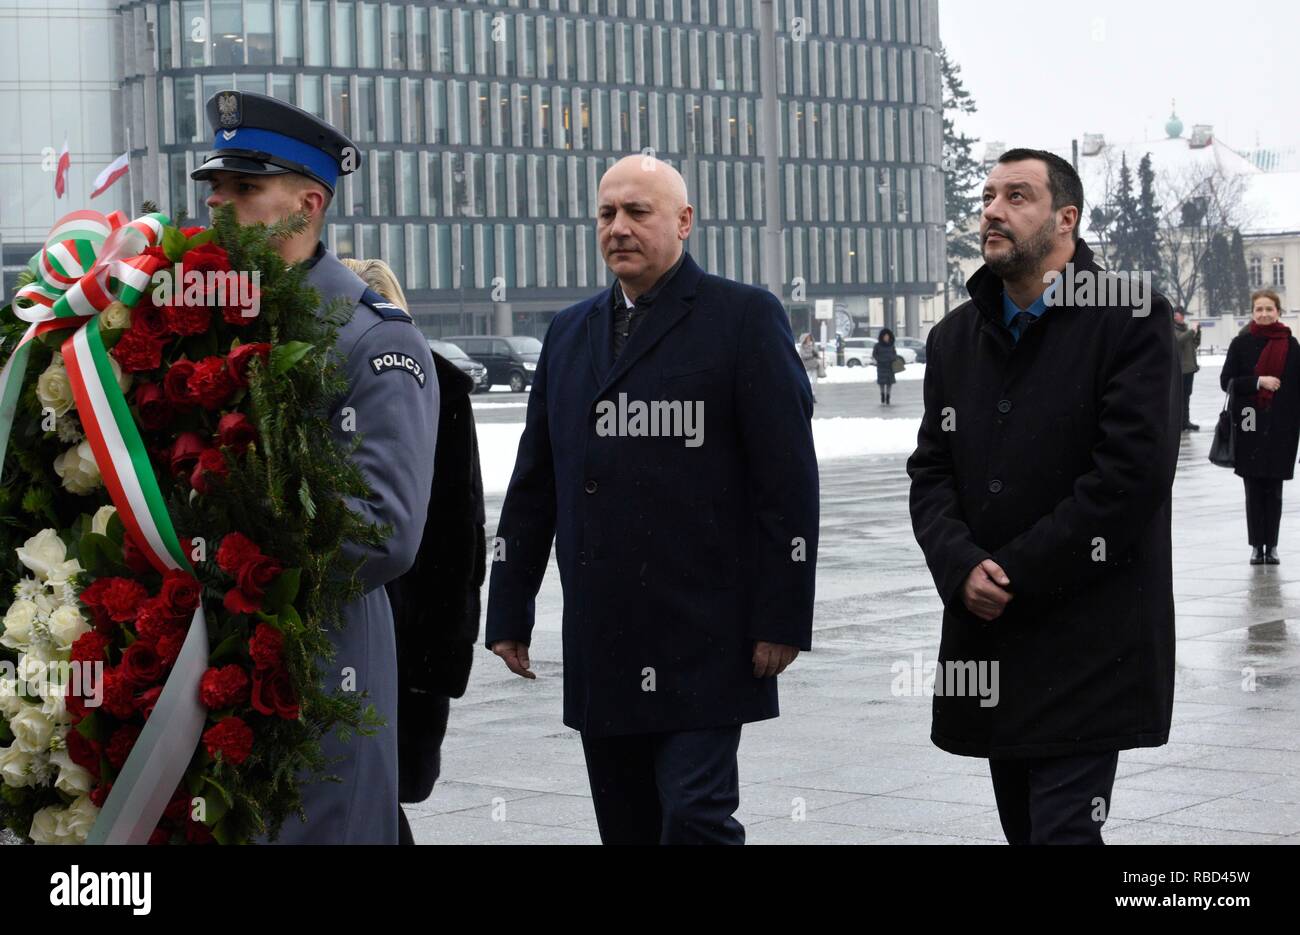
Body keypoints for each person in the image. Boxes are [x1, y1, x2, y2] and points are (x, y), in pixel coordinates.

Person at [485, 154, 819, 845]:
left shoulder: (744, 318)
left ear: (684, 222)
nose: (619, 227)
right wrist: (508, 604)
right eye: (607, 213)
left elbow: (786, 481)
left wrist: (782, 613)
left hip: (705, 632)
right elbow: (534, 482)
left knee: (695, 818)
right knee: (628, 828)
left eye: (638, 212)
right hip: (603, 635)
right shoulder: (569, 332)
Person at [907, 148, 1180, 845]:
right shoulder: (953, 337)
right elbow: (931, 470)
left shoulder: (1129, 316)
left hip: (1090, 637)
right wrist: (960, 563)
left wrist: (1014, 572)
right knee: (1027, 829)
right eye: (988, 195)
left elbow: (1131, 475)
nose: (993, 210)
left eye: (1017, 196)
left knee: (1062, 830)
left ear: (1067, 218)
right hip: (990, 637)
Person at [193, 90, 439, 844]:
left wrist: (228, 540)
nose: (221, 206)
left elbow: (383, 530)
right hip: (193, 678)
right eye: (216, 189)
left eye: (246, 188)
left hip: (312, 673)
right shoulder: (197, 327)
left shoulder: (373, 342)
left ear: (308, 202)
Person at [341, 259, 487, 845]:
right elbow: (464, 539)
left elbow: (458, 535)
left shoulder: (440, 391)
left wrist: (440, 666)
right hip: (414, 635)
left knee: (373, 797)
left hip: (405, 634)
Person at [1221, 289, 1300, 565]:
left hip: (1281, 427)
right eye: (1259, 309)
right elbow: (1227, 381)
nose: (1264, 314)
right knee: (1253, 490)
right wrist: (1257, 381)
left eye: (1269, 309)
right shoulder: (1240, 343)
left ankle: (1273, 545)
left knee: (1275, 490)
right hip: (1249, 425)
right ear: (1252, 313)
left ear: (1278, 312)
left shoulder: (1291, 344)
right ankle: (1257, 545)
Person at [1173, 307, 1202, 431]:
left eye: (1179, 314)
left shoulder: (1184, 328)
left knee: (1186, 396)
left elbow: (1194, 344)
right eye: (1176, 314)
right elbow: (1178, 341)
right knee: (1179, 396)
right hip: (1180, 369)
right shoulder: (1172, 328)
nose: (1177, 316)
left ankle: (1185, 421)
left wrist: (1198, 332)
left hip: (1189, 369)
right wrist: (1192, 331)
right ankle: (1178, 422)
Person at [873, 328, 898, 405]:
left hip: (890, 367)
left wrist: (892, 359)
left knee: (889, 383)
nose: (886, 338)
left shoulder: (891, 345)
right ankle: (882, 395)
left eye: (887, 336)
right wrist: (880, 360)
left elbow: (895, 355)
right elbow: (874, 355)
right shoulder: (877, 346)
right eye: (885, 336)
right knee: (882, 383)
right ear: (882, 337)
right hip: (881, 367)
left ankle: (888, 397)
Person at [798, 332, 821, 403]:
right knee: (807, 381)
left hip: (814, 365)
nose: (808, 340)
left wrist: (814, 352)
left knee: (814, 382)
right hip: (807, 366)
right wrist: (811, 354)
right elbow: (803, 355)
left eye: (809, 338)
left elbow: (817, 354)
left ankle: (813, 395)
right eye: (807, 338)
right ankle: (807, 395)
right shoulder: (802, 347)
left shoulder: (814, 345)